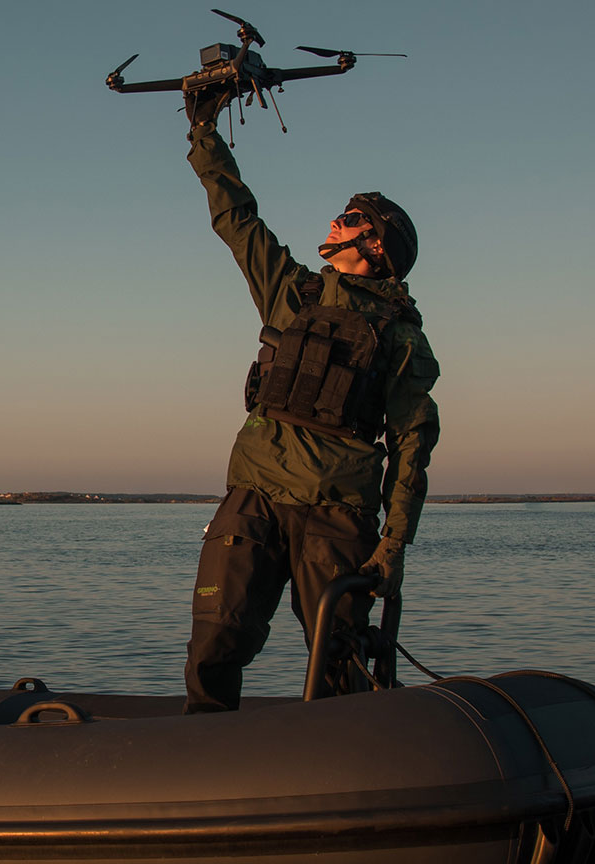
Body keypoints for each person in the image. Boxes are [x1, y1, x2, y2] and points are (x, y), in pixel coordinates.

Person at [179, 83, 441, 710]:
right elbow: (237, 219)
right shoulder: (293, 292)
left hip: (337, 510)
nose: (333, 223)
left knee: (339, 659)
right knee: (215, 643)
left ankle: (349, 754)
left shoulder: (401, 337)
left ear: (375, 245)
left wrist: (393, 545)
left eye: (348, 220)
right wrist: (204, 133)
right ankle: (201, 747)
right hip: (255, 496)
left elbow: (412, 444)